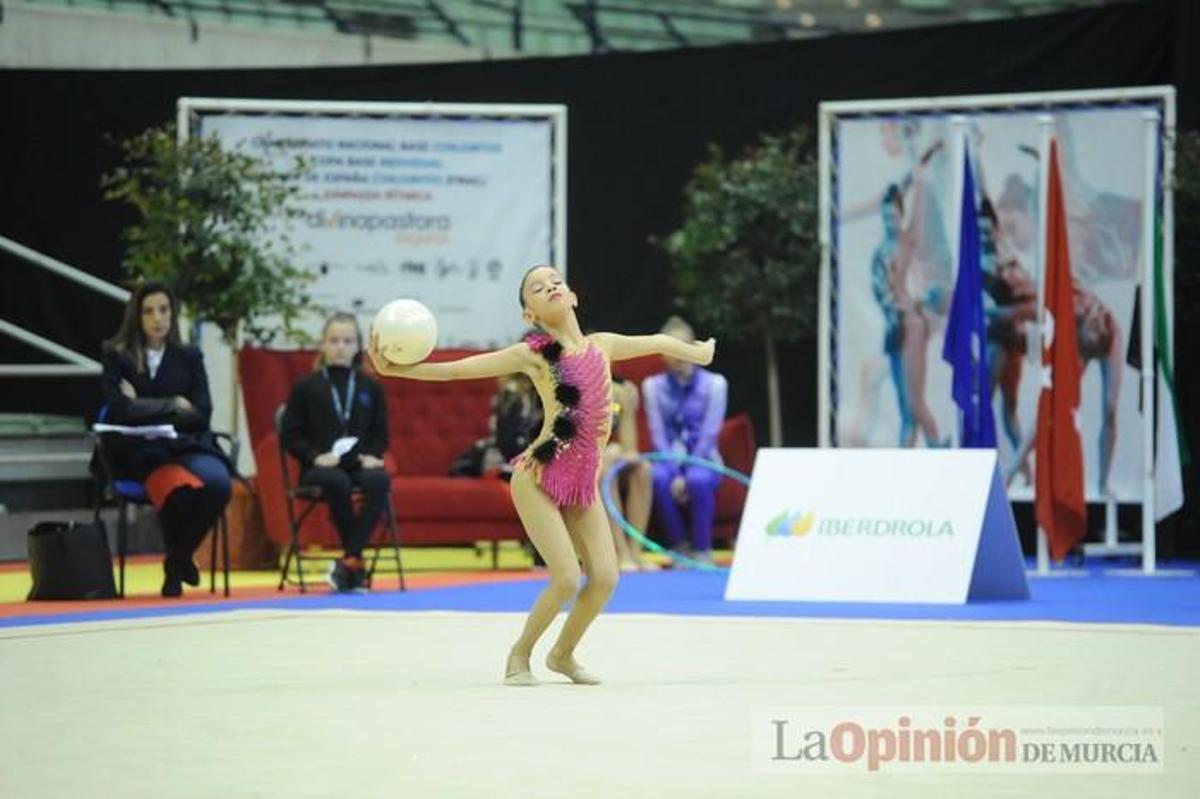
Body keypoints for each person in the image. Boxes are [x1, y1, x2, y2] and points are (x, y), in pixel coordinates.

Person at [369, 265, 715, 686]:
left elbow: (657, 342)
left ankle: (562, 655)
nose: (550, 286)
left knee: (606, 578)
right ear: (529, 315)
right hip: (540, 476)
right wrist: (397, 370)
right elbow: (458, 369)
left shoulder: (603, 345)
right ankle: (519, 655)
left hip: (583, 483)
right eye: (537, 287)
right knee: (566, 578)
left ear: (573, 297)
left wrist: (698, 354)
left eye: (556, 282)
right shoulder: (533, 354)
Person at [99, 281, 233, 597]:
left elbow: (201, 413)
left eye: (163, 310)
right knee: (178, 492)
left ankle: (178, 558)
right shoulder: (117, 356)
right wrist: (173, 404)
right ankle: (177, 567)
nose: (157, 318)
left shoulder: (189, 356)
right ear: (136, 316)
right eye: (148, 311)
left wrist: (140, 405)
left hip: (186, 444)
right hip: (141, 450)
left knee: (218, 484)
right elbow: (118, 410)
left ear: (173, 314)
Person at [281, 312, 390, 593]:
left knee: (380, 480)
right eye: (334, 341)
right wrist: (314, 456)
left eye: (347, 341)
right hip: (321, 466)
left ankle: (350, 560)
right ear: (323, 344)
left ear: (358, 346)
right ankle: (355, 562)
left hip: (358, 464)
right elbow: (290, 436)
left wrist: (372, 455)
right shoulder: (307, 386)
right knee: (337, 481)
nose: (340, 347)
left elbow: (380, 434)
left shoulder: (370, 386)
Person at [642, 317, 728, 565]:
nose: (679, 355)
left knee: (697, 478)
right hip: (668, 459)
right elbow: (658, 434)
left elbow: (710, 434)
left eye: (683, 347)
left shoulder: (715, 384)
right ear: (662, 355)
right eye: (671, 348)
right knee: (657, 476)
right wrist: (674, 471)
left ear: (693, 348)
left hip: (704, 459)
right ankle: (679, 546)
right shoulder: (652, 386)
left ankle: (702, 548)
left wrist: (686, 472)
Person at [601, 377, 654, 571]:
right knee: (606, 463)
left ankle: (635, 552)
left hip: (605, 456)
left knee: (643, 469)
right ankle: (620, 552)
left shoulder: (621, 390)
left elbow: (630, 450)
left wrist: (627, 408)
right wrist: (610, 453)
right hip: (574, 457)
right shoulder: (572, 381)